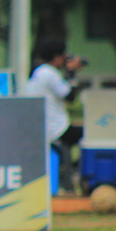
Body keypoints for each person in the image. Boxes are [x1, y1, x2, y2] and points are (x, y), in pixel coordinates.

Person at [22, 38, 85, 193]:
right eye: (63, 56)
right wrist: (72, 73)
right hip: (57, 129)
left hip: (42, 127)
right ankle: (73, 172)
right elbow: (70, 96)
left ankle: (68, 169)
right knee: (91, 135)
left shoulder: (38, 72)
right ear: (56, 57)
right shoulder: (50, 73)